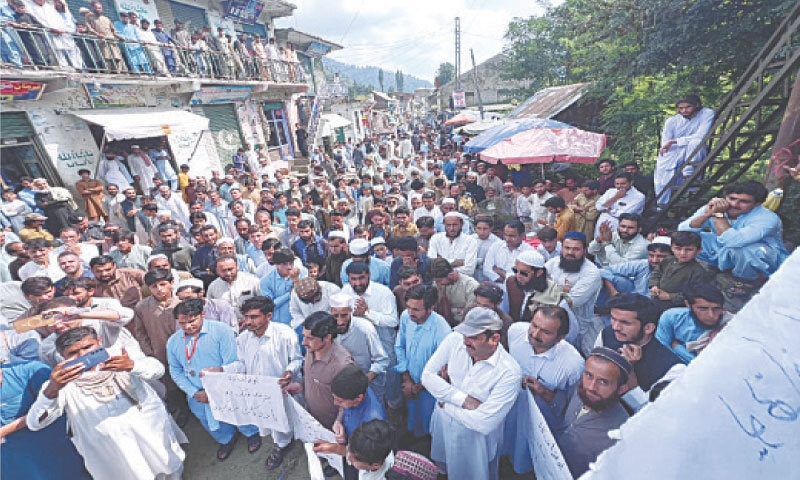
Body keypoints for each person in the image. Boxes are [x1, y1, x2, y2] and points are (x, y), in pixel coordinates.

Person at [26, 326, 186, 479]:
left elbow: (157, 370)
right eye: (73, 353)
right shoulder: (62, 383)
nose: (82, 354)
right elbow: (35, 423)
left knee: (168, 468)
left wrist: (132, 366)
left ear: (99, 341)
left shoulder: (120, 357)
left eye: (88, 347)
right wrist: (53, 389)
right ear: (63, 356)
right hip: (110, 451)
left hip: (150, 433)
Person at [421, 307, 521, 480]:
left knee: (474, 473)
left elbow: (484, 423)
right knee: (442, 466)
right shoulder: (455, 339)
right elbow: (427, 376)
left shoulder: (510, 372)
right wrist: (463, 400)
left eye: (474, 337)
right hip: (443, 425)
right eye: (465, 334)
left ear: (494, 339)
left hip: (475, 440)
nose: (466, 341)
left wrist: (445, 403)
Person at [215, 296, 303, 469]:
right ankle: (282, 445)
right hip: (262, 393)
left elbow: (297, 359)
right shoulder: (243, 339)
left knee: (296, 417)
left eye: (254, 317)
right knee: (274, 423)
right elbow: (242, 364)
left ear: (268, 316)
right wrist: (221, 370)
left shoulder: (285, 334)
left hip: (287, 389)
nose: (248, 322)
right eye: (246, 317)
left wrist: (289, 372)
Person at [504, 306, 584, 474]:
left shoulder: (573, 365)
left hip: (541, 421)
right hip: (509, 406)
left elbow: (570, 409)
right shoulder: (515, 331)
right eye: (534, 325)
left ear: (560, 338)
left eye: (546, 332)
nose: (535, 334)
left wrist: (544, 392)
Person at [678, 180, 789, 286]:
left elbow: (734, 242)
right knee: (689, 239)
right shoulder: (716, 207)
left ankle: (746, 281)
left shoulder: (767, 218)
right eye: (732, 198)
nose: (735, 204)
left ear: (757, 204)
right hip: (725, 250)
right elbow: (683, 230)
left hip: (761, 256)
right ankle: (718, 268)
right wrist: (708, 214)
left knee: (742, 250)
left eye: (744, 201)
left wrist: (718, 215)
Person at [167, 298, 239, 461]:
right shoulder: (173, 342)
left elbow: (231, 362)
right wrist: (194, 392)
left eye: (192, 321)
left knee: (239, 410)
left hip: (225, 385)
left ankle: (250, 433)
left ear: (203, 314)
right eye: (182, 323)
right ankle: (226, 440)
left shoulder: (221, 331)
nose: (187, 326)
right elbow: (176, 371)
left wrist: (214, 390)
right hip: (197, 393)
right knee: (207, 418)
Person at [0, 359, 91, 480]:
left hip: (60, 458)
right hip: (13, 467)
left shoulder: (32, 371)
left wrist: (4, 431)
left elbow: (54, 405)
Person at [594, 293, 684, 411]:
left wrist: (629, 372)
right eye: (613, 319)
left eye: (625, 323)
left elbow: (650, 411)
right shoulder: (607, 334)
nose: (615, 327)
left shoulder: (674, 369)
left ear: (648, 328)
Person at [556, 347, 632, 478]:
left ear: (621, 389)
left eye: (603, 382)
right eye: (588, 375)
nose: (591, 387)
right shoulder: (581, 389)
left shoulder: (622, 433)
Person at [394, 284, 451, 438]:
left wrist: (417, 388)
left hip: (429, 391)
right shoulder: (406, 317)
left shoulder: (443, 331)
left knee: (430, 427)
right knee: (412, 419)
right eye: (408, 307)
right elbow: (400, 346)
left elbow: (443, 369)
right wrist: (407, 379)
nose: (410, 313)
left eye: (416, 309)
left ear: (430, 308)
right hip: (409, 382)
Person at [283, 312, 354, 430]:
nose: (304, 342)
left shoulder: (342, 365)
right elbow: (311, 377)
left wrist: (338, 422)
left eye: (310, 338)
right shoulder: (311, 349)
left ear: (327, 337)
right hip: (312, 421)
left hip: (333, 429)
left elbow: (348, 401)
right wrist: (300, 385)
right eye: (304, 336)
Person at [132, 269, 186, 424]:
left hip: (185, 351)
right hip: (160, 352)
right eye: (154, 286)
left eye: (163, 284)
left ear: (171, 283)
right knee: (170, 383)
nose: (159, 289)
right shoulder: (142, 307)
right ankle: (181, 410)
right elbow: (140, 332)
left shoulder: (181, 303)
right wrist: (150, 352)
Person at [315, 365, 387, 480]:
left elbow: (361, 457)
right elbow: (343, 407)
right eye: (334, 398)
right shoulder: (356, 390)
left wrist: (335, 449)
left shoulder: (373, 422)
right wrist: (338, 421)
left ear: (358, 398)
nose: (335, 403)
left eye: (339, 400)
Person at [545, 232, 602, 353]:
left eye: (576, 249)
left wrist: (549, 285)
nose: (570, 252)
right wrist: (565, 289)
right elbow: (537, 282)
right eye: (567, 248)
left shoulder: (592, 272)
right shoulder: (553, 263)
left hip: (576, 326)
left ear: (584, 251)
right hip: (546, 317)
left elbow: (571, 302)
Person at [655, 94, 715, 204]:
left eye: (688, 107)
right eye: (681, 108)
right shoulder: (672, 121)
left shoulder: (706, 113)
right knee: (663, 181)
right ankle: (661, 206)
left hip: (694, 150)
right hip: (673, 152)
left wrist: (675, 141)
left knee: (696, 142)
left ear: (696, 105)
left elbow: (701, 135)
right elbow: (665, 143)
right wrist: (675, 143)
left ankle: (688, 175)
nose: (684, 111)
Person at [330, 292, 389, 403]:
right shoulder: (328, 327)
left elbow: (382, 361)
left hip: (370, 385)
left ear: (350, 312)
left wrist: (363, 382)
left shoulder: (365, 328)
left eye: (344, 315)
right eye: (335, 316)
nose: (340, 321)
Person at [655, 283, 730, 363]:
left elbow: (710, 364)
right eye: (703, 309)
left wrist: (677, 348)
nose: (711, 315)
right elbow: (661, 351)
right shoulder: (672, 317)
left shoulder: (730, 325)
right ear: (688, 304)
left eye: (716, 309)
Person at [648, 231, 711, 312]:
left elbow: (696, 294)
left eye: (689, 250)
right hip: (656, 302)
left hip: (678, 308)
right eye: (678, 248)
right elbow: (656, 273)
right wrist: (654, 286)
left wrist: (670, 296)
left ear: (698, 250)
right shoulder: (667, 261)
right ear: (672, 248)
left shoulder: (698, 271)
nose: (683, 253)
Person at [429, 257, 479, 327]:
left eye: (439, 281)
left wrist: (449, 310)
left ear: (450, 275)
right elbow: (436, 309)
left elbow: (470, 314)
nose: (438, 284)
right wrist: (457, 310)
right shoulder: (438, 284)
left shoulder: (471, 286)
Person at [426, 211, 478, 276]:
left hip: (462, 279)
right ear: (444, 225)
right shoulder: (436, 238)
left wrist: (441, 264)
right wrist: (454, 263)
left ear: (461, 224)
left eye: (455, 225)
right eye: (448, 225)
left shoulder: (470, 241)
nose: (451, 228)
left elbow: (469, 269)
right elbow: (431, 264)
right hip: (439, 279)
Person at [482, 219, 533, 285]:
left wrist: (500, 272)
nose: (507, 239)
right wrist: (502, 279)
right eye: (505, 235)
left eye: (512, 236)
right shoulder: (496, 246)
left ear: (522, 235)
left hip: (519, 288)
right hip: (494, 285)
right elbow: (487, 269)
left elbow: (525, 275)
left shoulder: (529, 252)